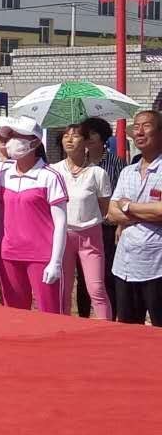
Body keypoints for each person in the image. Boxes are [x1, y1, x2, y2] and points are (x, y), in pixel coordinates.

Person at [0, 117, 67, 313]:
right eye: (10, 136)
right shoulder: (2, 177)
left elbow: (61, 223)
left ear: (34, 142)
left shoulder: (50, 176)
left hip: (42, 256)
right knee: (13, 313)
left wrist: (56, 261)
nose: (11, 141)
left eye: (17, 136)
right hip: (9, 255)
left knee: (50, 313)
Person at [106, 110, 162, 325]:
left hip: (156, 265)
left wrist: (128, 207)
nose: (139, 131)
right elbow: (112, 212)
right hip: (125, 265)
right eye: (136, 126)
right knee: (129, 331)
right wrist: (147, 212)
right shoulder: (127, 172)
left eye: (146, 126)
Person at [52, 122, 112, 319]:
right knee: (63, 288)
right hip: (63, 236)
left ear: (86, 142)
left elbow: (105, 206)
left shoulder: (98, 173)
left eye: (75, 136)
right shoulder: (54, 171)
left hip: (90, 236)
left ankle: (107, 332)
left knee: (96, 288)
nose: (69, 139)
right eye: (65, 136)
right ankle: (62, 330)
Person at [76, 116, 124, 319]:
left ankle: (109, 318)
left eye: (94, 133)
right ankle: (83, 317)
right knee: (83, 279)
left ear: (103, 136)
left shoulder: (115, 163)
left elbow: (120, 195)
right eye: (86, 133)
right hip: (81, 228)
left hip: (106, 227)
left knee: (105, 276)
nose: (90, 137)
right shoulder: (78, 163)